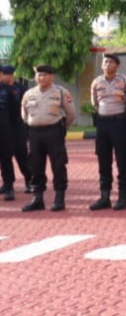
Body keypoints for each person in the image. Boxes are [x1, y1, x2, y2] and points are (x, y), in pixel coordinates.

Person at [19, 64, 74, 212]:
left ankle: (59, 198)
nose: (41, 78)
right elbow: (24, 114)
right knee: (35, 165)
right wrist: (32, 124)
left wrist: (61, 130)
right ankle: (37, 198)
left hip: (54, 132)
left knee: (58, 164)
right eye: (38, 75)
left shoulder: (61, 92)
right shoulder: (29, 94)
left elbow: (70, 114)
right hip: (34, 133)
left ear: (52, 76)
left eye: (44, 75)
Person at [88, 53, 126, 211]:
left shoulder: (125, 81)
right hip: (102, 123)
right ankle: (104, 196)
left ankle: (122, 196)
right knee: (103, 160)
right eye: (105, 62)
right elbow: (94, 102)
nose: (107, 65)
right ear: (102, 65)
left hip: (119, 122)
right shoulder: (96, 82)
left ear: (117, 66)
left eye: (111, 62)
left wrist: (121, 113)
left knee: (122, 160)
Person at [0, 64, 27, 201]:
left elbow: (15, 111)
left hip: (6, 129)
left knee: (6, 158)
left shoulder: (8, 90)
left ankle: (9, 187)